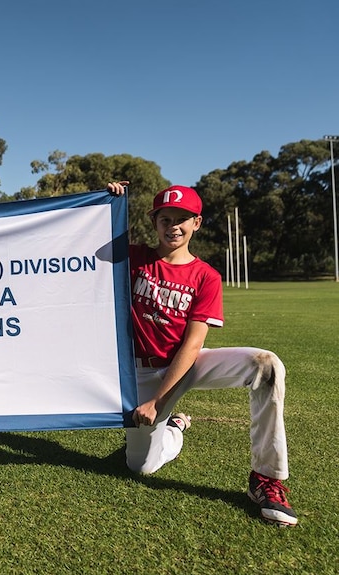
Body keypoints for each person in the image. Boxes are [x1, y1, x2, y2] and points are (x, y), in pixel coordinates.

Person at [108, 181, 297, 527]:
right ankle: (174, 429)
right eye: (165, 219)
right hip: (142, 372)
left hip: (187, 362)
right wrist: (107, 201)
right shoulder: (134, 258)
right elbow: (84, 246)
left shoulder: (206, 276)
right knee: (141, 466)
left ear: (197, 223)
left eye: (183, 219)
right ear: (154, 222)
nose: (173, 227)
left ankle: (267, 478)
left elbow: (193, 344)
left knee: (266, 366)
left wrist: (158, 403)